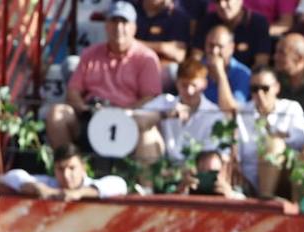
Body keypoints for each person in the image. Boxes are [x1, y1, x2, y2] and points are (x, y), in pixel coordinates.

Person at [47, 2, 163, 150]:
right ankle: (68, 165)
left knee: (149, 133)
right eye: (114, 21)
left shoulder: (146, 58)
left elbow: (151, 97)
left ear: (134, 27)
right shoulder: (90, 53)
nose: (119, 28)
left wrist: (123, 112)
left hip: (129, 119)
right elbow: (73, 90)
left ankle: (140, 173)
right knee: (58, 113)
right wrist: (85, 108)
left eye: (124, 22)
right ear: (106, 25)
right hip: (91, 117)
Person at [234, 66, 304, 197]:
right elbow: (237, 151)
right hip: (247, 179)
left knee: (274, 145)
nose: (259, 94)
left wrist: (276, 140)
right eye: (254, 89)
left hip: (282, 177)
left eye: (265, 88)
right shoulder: (242, 113)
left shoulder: (291, 108)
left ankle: (266, 198)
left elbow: (300, 141)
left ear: (276, 88)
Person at [138, 56, 227, 161]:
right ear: (177, 83)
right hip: (163, 168)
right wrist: (163, 115)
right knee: (146, 129)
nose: (189, 91)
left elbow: (214, 155)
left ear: (204, 84)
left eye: (194, 85)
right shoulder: (165, 102)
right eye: (184, 85)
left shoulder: (215, 114)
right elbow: (134, 119)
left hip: (197, 170)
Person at [0, 144, 130, 199]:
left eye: (72, 168)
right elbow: (13, 176)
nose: (66, 175)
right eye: (60, 169)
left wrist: (80, 193)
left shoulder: (93, 184)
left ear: (83, 168)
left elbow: (120, 184)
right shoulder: (48, 183)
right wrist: (37, 188)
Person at [193, 0, 271, 69]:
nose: (222, 5)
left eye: (227, 0)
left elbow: (261, 63)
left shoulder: (258, 23)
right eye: (217, 1)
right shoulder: (206, 22)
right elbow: (196, 59)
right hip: (209, 78)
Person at [201, 24, 252, 112]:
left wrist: (220, 74)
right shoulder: (197, 68)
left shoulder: (243, 74)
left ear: (231, 48)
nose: (214, 51)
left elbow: (231, 111)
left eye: (220, 46)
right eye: (211, 45)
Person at [135, 0, 194, 69]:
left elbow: (179, 55)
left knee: (172, 68)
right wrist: (162, 47)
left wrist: (134, 44)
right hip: (131, 62)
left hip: (161, 67)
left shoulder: (177, 15)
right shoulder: (130, 8)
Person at [179, 146, 246, 196]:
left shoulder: (234, 194)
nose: (208, 177)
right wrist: (181, 192)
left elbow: (246, 209)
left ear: (222, 173)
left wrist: (229, 195)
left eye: (213, 173)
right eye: (203, 174)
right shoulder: (189, 192)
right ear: (196, 173)